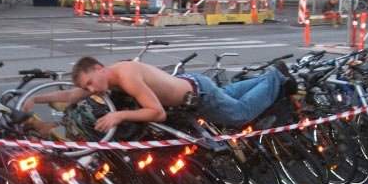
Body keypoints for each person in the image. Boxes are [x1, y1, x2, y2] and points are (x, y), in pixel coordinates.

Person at [22, 56, 293, 132]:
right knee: (229, 94)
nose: (92, 90)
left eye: (91, 82)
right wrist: (34, 98)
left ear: (98, 68)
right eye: (88, 87)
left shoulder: (126, 77)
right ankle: (266, 78)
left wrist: (118, 116)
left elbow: (158, 113)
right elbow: (71, 95)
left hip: (198, 95)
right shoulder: (108, 77)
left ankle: (275, 77)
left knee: (240, 114)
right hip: (193, 85)